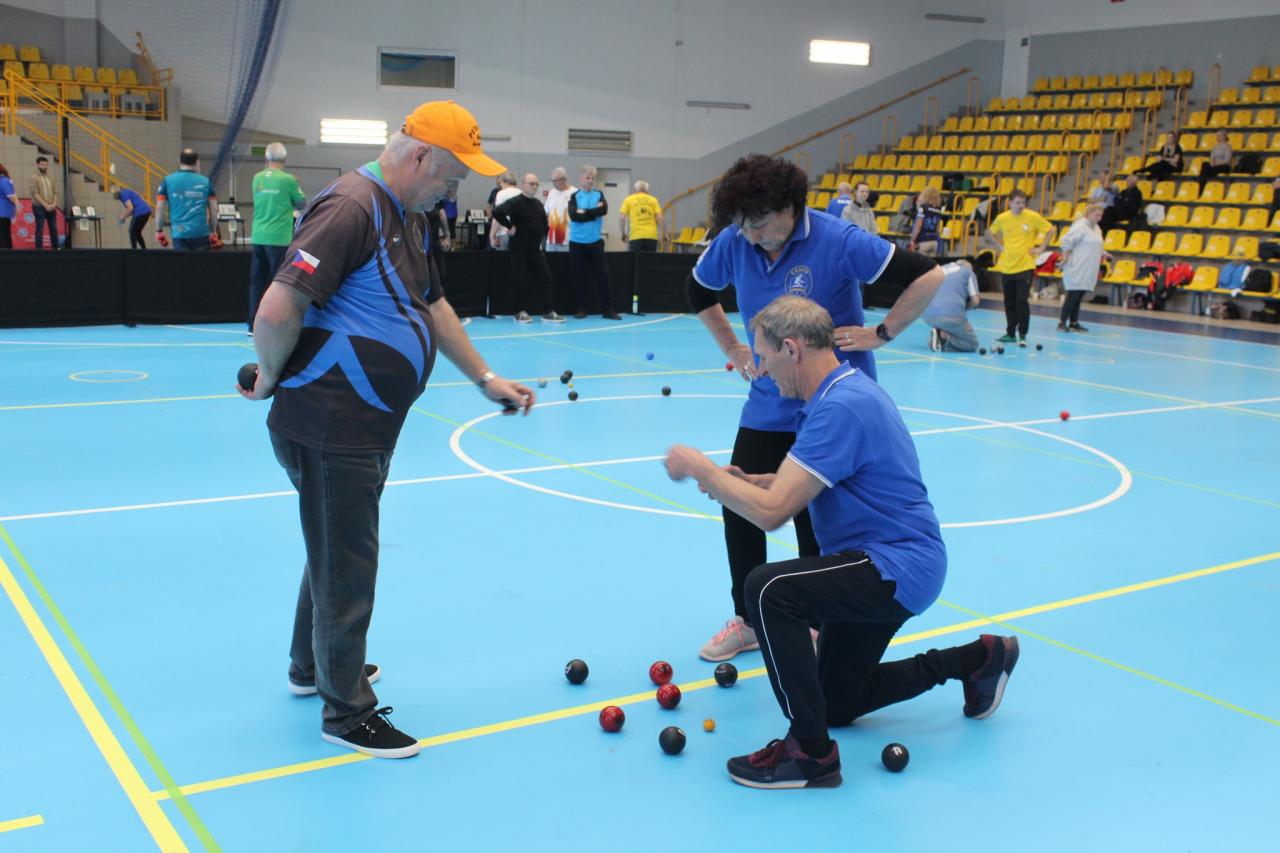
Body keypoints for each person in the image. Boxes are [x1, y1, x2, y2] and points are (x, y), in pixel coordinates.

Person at [239, 100, 535, 760]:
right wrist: (266, 372)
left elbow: (432, 304)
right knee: (348, 553)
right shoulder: (352, 207)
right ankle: (345, 710)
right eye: (451, 179)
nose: (453, 193)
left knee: (332, 539)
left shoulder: (412, 216)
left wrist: (484, 376)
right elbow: (278, 306)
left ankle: (310, 666)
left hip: (363, 421)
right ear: (422, 156)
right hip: (329, 421)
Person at [665, 295, 1018, 789]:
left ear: (791, 349)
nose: (762, 372)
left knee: (768, 589)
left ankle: (809, 754)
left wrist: (700, 467)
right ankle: (976, 659)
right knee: (836, 700)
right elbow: (805, 484)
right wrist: (752, 479)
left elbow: (771, 516)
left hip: (893, 565)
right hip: (892, 563)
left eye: (763, 358)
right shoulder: (836, 395)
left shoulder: (841, 407)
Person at [686, 153, 944, 662]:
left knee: (818, 517)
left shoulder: (839, 238)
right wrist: (733, 350)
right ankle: (748, 617)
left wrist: (881, 333)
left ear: (790, 207)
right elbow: (697, 288)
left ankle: (820, 622)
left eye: (760, 224)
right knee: (739, 502)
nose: (752, 236)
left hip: (831, 404)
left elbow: (930, 275)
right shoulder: (736, 240)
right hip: (768, 400)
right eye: (743, 226)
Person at [250, 142, 307, 331]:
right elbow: (302, 202)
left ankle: (252, 324)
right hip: (279, 238)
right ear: (285, 159)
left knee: (257, 282)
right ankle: (276, 324)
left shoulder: (256, 178)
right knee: (280, 284)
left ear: (266, 158)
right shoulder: (288, 180)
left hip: (258, 237)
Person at [493, 172, 564, 323]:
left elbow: (544, 223)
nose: (534, 187)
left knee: (545, 277)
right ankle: (519, 312)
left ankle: (548, 311)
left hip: (535, 250)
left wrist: (542, 234)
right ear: (523, 184)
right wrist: (509, 226)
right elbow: (497, 212)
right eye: (531, 183)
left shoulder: (538, 204)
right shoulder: (516, 202)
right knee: (519, 280)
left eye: (536, 184)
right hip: (518, 249)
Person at [988, 189, 1053, 347]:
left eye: (1023, 203)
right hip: (1007, 267)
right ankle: (1010, 333)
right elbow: (989, 232)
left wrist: (1041, 248)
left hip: (1025, 266)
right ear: (1009, 203)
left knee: (1022, 302)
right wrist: (999, 246)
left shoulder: (1032, 217)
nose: (1020, 206)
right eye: (1017, 203)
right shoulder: (1002, 218)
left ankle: (1022, 334)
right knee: (1009, 302)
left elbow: (1051, 230)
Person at [568, 164, 619, 319]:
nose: (591, 181)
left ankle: (608, 309)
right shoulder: (575, 196)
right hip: (577, 242)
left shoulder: (599, 195)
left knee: (603, 276)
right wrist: (592, 213)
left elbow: (603, 211)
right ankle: (580, 308)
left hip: (595, 242)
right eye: (588, 178)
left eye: (593, 178)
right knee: (577, 276)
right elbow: (574, 215)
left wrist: (584, 212)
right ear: (581, 178)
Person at [1057, 202, 1111, 333]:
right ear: (1089, 213)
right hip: (1077, 265)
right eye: (1096, 215)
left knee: (1080, 294)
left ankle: (1074, 322)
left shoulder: (1097, 228)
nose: (1099, 218)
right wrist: (1064, 258)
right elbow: (1066, 242)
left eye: (1100, 216)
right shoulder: (1080, 226)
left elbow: (1098, 245)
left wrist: (1105, 253)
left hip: (1089, 266)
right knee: (1073, 294)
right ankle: (1062, 323)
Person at [155, 148, 217, 251]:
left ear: (179, 161)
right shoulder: (206, 182)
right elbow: (214, 209)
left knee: (182, 266)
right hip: (201, 234)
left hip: (179, 234)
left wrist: (159, 230)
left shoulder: (167, 181)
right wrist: (213, 231)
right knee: (201, 267)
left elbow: (159, 208)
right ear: (197, 162)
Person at [924, 260, 981, 352]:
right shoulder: (967, 272)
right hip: (951, 316)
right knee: (973, 344)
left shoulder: (938, 269)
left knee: (947, 323)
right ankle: (943, 336)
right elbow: (975, 301)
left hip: (927, 316)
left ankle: (940, 336)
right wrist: (965, 308)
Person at [619, 180, 664, 252]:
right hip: (651, 236)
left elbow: (622, 218)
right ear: (647, 190)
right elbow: (660, 218)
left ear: (635, 189)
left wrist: (623, 233)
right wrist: (665, 233)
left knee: (635, 262)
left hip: (635, 236)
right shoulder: (654, 200)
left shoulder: (629, 199)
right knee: (649, 261)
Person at [30, 156, 59, 250]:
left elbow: (55, 192)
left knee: (54, 228)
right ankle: (39, 250)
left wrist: (54, 204)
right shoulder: (34, 177)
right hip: (39, 207)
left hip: (51, 206)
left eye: (46, 165)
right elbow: (35, 194)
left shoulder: (50, 177)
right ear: (38, 165)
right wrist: (45, 205)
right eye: (42, 164)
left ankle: (56, 247)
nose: (45, 166)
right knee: (40, 228)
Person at [908, 185, 946, 257]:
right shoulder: (938, 210)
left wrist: (913, 239)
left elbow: (918, 226)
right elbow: (937, 228)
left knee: (921, 266)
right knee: (930, 266)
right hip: (934, 241)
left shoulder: (923, 208)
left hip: (923, 240)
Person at [543, 167, 574, 252]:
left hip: (567, 239)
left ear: (563, 180)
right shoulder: (552, 192)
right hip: (551, 239)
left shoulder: (574, 193)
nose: (553, 183)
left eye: (555, 181)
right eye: (552, 181)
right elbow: (546, 212)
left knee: (564, 264)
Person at [488, 172, 519, 250]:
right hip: (519, 234)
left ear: (505, 182)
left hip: (504, 233)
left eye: (501, 183)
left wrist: (492, 236)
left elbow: (498, 216)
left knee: (503, 261)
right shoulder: (522, 194)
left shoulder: (501, 193)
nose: (500, 186)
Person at [0, 163, 17, 250]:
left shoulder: (3, 181)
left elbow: (10, 196)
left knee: (4, 234)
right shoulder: (4, 180)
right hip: (4, 212)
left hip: (3, 212)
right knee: (4, 234)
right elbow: (11, 196)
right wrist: (17, 206)